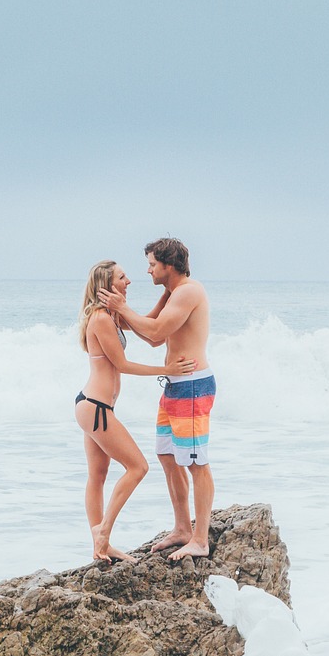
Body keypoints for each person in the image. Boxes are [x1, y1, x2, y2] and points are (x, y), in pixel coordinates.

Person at [98, 237, 214, 561]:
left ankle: (200, 540)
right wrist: (113, 312)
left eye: (151, 264)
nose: (148, 270)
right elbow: (150, 336)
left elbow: (155, 331)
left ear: (168, 265)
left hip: (192, 385)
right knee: (167, 457)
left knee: (196, 463)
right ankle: (182, 528)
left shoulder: (189, 291)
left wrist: (122, 309)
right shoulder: (172, 293)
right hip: (175, 386)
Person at [77, 259, 194, 563]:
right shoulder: (102, 319)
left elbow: (151, 324)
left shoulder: (114, 316)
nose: (129, 281)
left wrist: (169, 292)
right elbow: (123, 365)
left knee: (98, 476)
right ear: (107, 286)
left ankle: (99, 545)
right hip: (97, 408)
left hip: (93, 407)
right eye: (122, 277)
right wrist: (167, 369)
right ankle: (102, 536)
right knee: (138, 467)